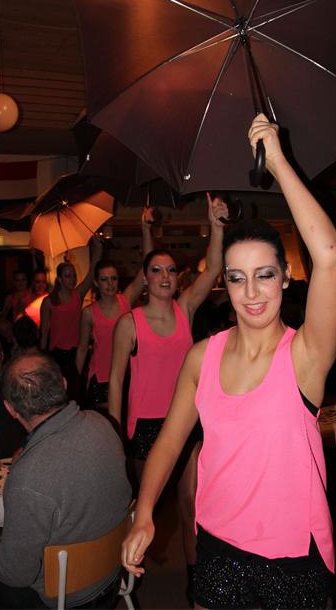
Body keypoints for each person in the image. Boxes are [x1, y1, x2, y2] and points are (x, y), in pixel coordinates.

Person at [121, 114, 336, 610]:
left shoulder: (305, 356)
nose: (252, 292)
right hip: (218, 543)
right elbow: (170, 442)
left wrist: (279, 162)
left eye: (265, 275)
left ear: (285, 278)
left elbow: (330, 255)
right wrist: (145, 511)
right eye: (238, 278)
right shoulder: (203, 356)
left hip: (293, 553)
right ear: (224, 282)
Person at [108, 193, 228, 600]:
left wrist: (216, 226)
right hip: (145, 427)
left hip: (187, 420)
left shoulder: (185, 310)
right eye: (156, 270)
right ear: (145, 278)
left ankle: (196, 582)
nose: (164, 276)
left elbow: (214, 267)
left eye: (171, 270)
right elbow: (115, 381)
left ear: (178, 278)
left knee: (191, 504)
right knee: (145, 506)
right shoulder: (129, 323)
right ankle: (121, 570)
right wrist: (114, 433)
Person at [0, 352, 132, 609]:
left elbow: (16, 574)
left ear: (10, 409)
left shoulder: (28, 476)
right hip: (112, 574)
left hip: (67, 597)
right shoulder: (102, 424)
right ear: (63, 383)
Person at [76, 208, 154, 410]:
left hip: (127, 375)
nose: (110, 284)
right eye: (104, 279)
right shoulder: (88, 313)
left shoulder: (125, 300)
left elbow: (147, 265)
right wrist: (75, 385)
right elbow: (82, 349)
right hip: (100, 379)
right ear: (96, 283)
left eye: (113, 278)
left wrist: (145, 230)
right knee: (105, 426)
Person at [40, 239, 102, 406]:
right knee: (60, 394)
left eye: (74, 276)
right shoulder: (49, 301)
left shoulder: (77, 295)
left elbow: (91, 273)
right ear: (59, 279)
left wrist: (97, 249)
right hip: (57, 355)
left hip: (76, 353)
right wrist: (43, 357)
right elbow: (44, 332)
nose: (72, 279)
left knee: (77, 393)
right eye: (68, 276)